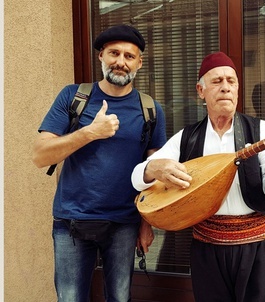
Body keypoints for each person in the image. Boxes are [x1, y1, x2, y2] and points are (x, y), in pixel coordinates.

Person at [131, 52, 265, 302]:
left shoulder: (261, 131)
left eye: (231, 81)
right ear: (200, 90)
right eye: (217, 81)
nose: (226, 88)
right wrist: (154, 169)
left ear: (238, 89)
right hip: (207, 250)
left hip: (258, 248)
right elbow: (137, 177)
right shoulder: (187, 138)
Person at [32, 24, 167, 302]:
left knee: (119, 298)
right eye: (113, 53)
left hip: (124, 224)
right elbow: (40, 155)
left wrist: (146, 223)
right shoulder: (73, 97)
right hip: (72, 223)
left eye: (129, 56)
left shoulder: (150, 109)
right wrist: (89, 132)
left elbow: (154, 170)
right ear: (101, 57)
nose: (121, 61)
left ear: (139, 63)